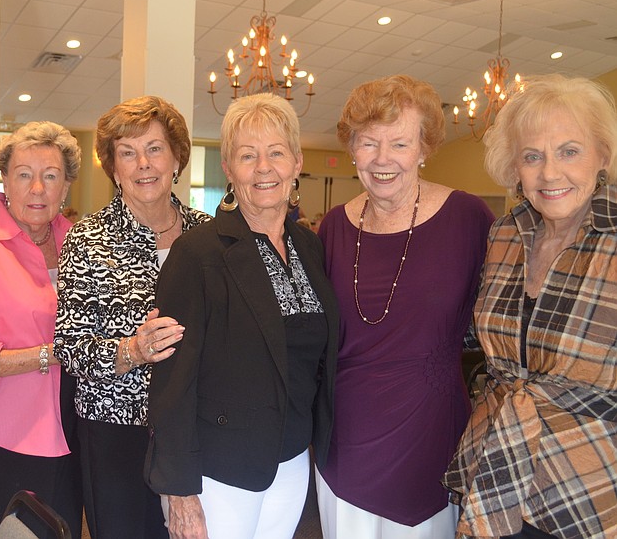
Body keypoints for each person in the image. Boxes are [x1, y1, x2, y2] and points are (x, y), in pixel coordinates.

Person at [146, 93, 340, 539]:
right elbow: (173, 380)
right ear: (229, 171)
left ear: (297, 162)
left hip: (292, 460)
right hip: (220, 470)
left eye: (276, 153)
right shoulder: (197, 253)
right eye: (247, 156)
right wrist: (178, 491)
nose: (264, 168)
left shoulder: (310, 248)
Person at [315, 75, 494, 538]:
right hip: (345, 440)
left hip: (430, 435)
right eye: (368, 143)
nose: (382, 159)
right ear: (352, 149)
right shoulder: (333, 227)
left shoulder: (468, 218)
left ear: (423, 148)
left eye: (399, 143)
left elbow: (505, 315)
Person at [443, 75, 617, 539]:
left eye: (569, 151)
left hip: (585, 488)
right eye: (532, 156)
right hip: (495, 466)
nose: (550, 173)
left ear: (602, 155)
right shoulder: (504, 233)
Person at [53, 95, 210, 539]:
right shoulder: (89, 239)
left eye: (155, 148)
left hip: (196, 427)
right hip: (117, 427)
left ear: (176, 157)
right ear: (114, 167)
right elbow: (71, 347)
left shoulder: (206, 235)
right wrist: (134, 350)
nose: (143, 164)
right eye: (128, 152)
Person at [0, 121, 83, 539]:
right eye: (24, 174)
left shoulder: (80, 240)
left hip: (76, 425)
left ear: (66, 188)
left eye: (50, 176)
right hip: (7, 431)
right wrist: (53, 352)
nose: (37, 189)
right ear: (5, 181)